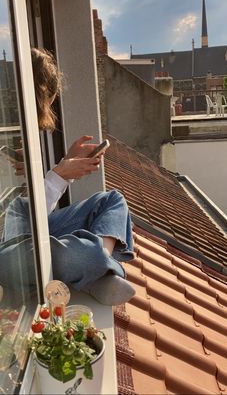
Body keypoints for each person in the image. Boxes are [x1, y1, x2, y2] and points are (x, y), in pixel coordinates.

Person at [2, 48, 135, 306]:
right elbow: (19, 217)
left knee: (112, 201)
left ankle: (96, 269)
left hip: (24, 226)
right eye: (49, 99)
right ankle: (99, 270)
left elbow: (31, 209)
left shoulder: (20, 128)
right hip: (7, 246)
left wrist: (62, 166)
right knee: (69, 255)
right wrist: (60, 175)